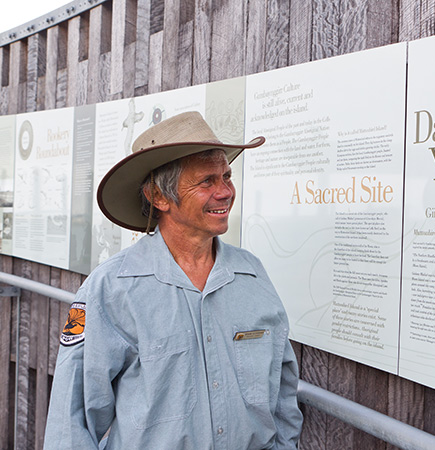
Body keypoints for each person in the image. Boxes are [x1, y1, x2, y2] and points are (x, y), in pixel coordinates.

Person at [44, 111, 303, 449]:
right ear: (159, 197)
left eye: (226, 176)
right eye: (206, 182)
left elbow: (282, 395)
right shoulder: (111, 288)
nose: (225, 192)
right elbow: (71, 420)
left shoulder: (251, 275)